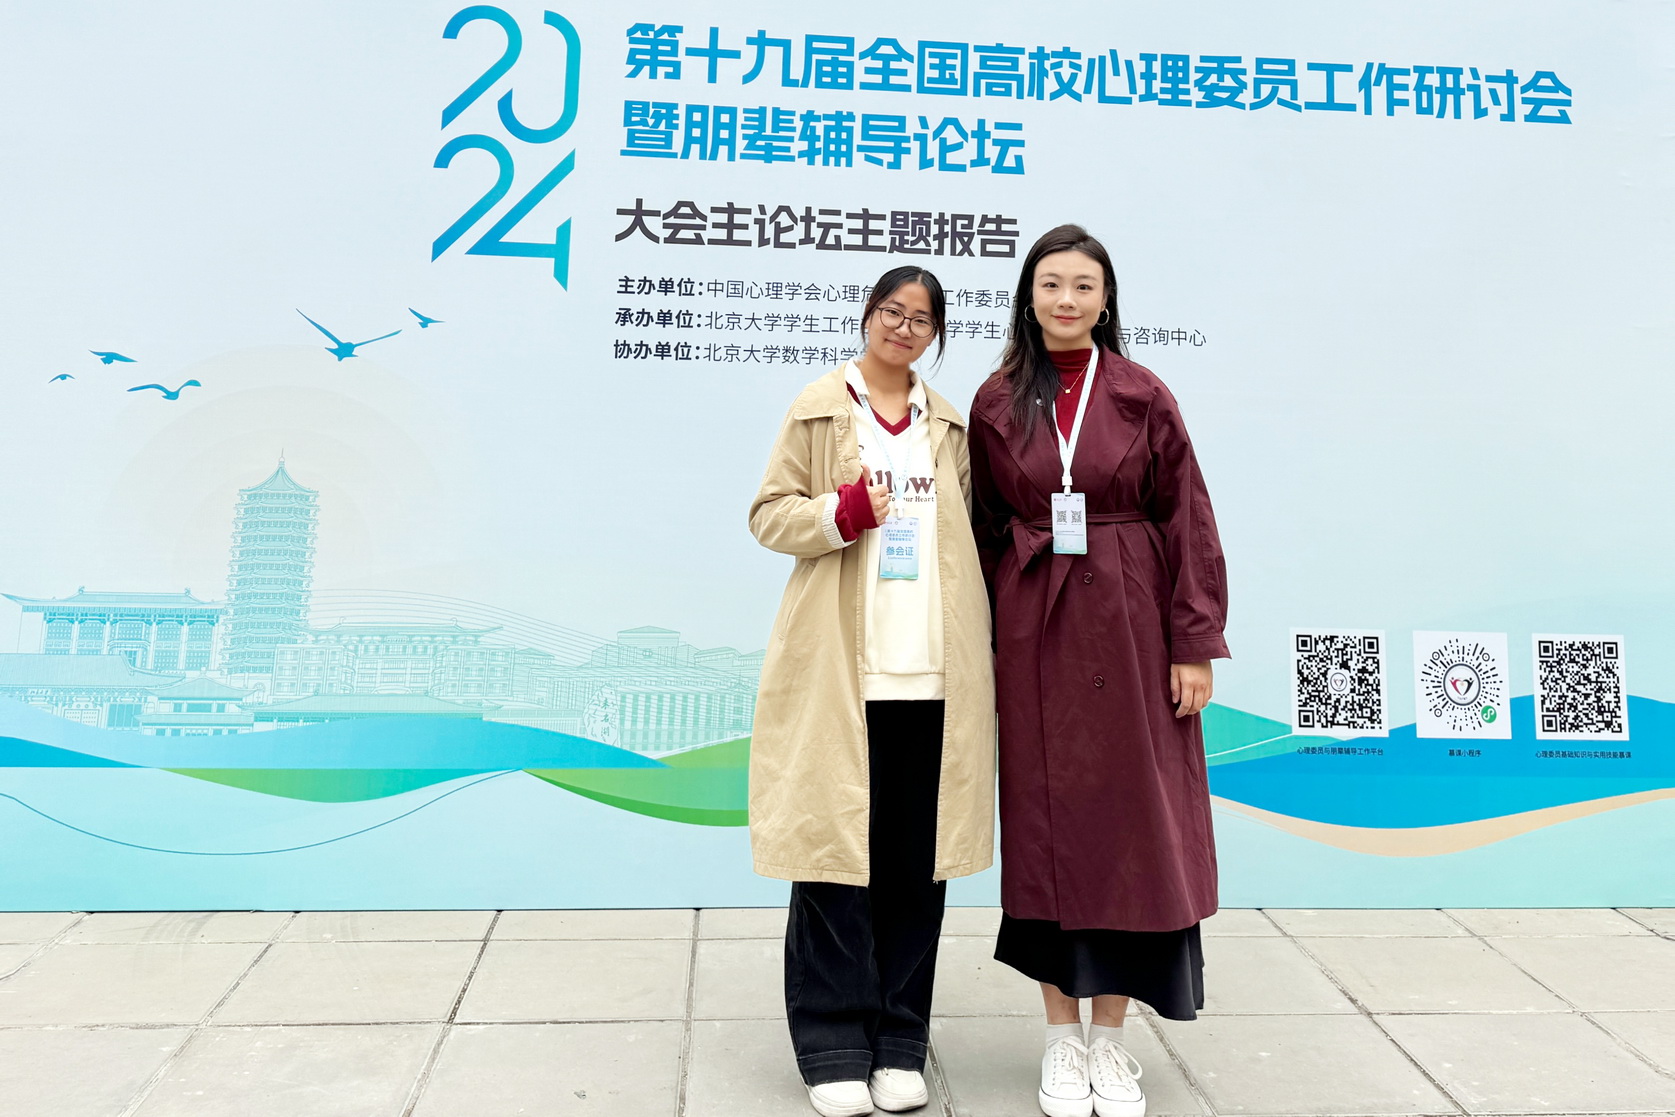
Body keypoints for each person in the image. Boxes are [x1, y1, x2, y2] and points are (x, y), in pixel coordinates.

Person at [967, 225, 1230, 1117]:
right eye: (1051, 283)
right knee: (1044, 825)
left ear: (1105, 298)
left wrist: (1192, 640)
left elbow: (1187, 515)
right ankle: (1058, 1038)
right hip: (1034, 628)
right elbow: (982, 527)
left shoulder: (1140, 392)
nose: (1066, 299)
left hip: (1131, 625)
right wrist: (985, 636)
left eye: (1083, 284)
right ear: (1027, 296)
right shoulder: (996, 399)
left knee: (1130, 826)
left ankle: (1109, 1042)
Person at [748, 266, 997, 1117]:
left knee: (915, 868)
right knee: (832, 861)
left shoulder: (948, 425)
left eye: (921, 318)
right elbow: (768, 514)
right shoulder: (820, 407)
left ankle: (898, 1043)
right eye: (892, 310)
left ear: (936, 334)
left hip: (933, 675)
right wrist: (841, 511)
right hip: (842, 675)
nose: (903, 327)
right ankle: (831, 1046)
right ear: (866, 314)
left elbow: (977, 536)